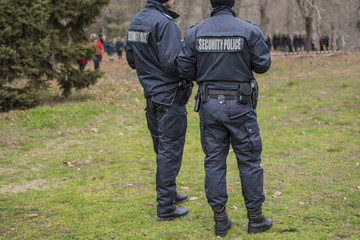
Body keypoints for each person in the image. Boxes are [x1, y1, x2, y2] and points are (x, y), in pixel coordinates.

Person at [177, 0, 272, 237]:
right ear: (233, 4)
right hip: (240, 105)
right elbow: (262, 65)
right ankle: (255, 218)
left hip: (209, 105)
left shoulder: (196, 31)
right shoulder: (249, 30)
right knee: (249, 161)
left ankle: (220, 220)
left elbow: (185, 68)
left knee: (214, 161)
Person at [126, 0, 191, 221]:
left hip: (151, 95)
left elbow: (131, 59)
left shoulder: (137, 20)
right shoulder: (166, 24)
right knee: (170, 150)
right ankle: (165, 207)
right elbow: (172, 63)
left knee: (162, 148)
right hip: (169, 96)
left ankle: (169, 193)